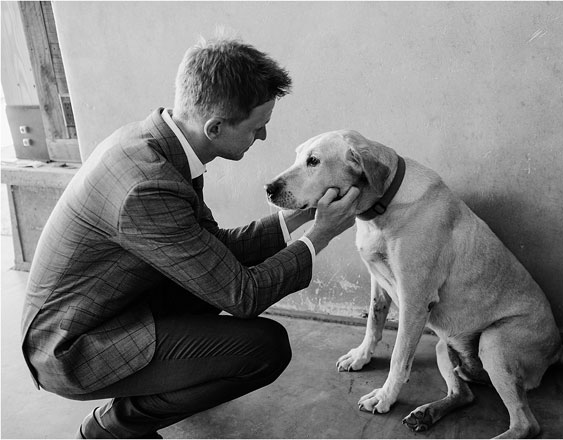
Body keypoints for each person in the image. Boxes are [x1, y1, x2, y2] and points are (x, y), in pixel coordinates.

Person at [20, 34, 359, 439]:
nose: (264, 136)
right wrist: (320, 236)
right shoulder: (147, 186)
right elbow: (244, 296)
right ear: (215, 127)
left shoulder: (158, 144)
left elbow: (213, 249)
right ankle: (112, 428)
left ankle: (172, 379)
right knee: (265, 348)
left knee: (213, 284)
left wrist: (301, 215)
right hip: (71, 346)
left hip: (112, 305)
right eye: (257, 127)